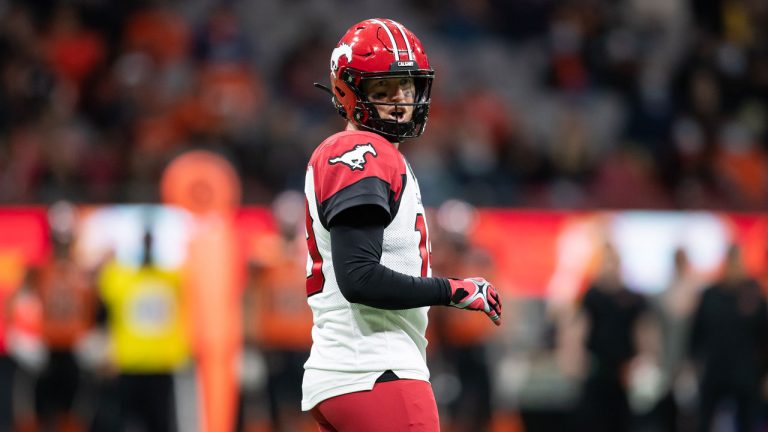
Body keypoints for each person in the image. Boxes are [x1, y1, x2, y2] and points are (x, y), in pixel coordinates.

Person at [302, 18, 502, 432]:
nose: (399, 100)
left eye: (405, 87)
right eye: (382, 89)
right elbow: (359, 278)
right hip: (377, 371)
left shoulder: (360, 151)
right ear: (348, 91)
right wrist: (455, 289)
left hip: (351, 372)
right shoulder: (362, 150)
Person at [689, 244, 768, 432]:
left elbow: (765, 337)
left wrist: (765, 373)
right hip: (714, 370)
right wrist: (693, 364)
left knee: (747, 422)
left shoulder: (753, 294)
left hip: (746, 373)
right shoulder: (711, 295)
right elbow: (696, 334)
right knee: (704, 421)